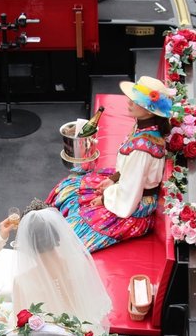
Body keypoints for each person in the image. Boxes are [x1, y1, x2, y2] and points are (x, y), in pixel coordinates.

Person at [47, 76, 174, 253]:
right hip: (128, 188)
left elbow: (130, 194)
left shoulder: (142, 149)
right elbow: (131, 174)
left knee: (74, 234)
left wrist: (104, 199)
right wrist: (113, 180)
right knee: (69, 187)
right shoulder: (144, 127)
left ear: (150, 111)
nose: (129, 102)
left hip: (134, 205)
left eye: (136, 101)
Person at [12, 200, 112, 330]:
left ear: (29, 242)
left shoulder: (21, 281)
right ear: (57, 235)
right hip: (82, 334)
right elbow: (93, 307)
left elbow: (19, 324)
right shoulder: (78, 265)